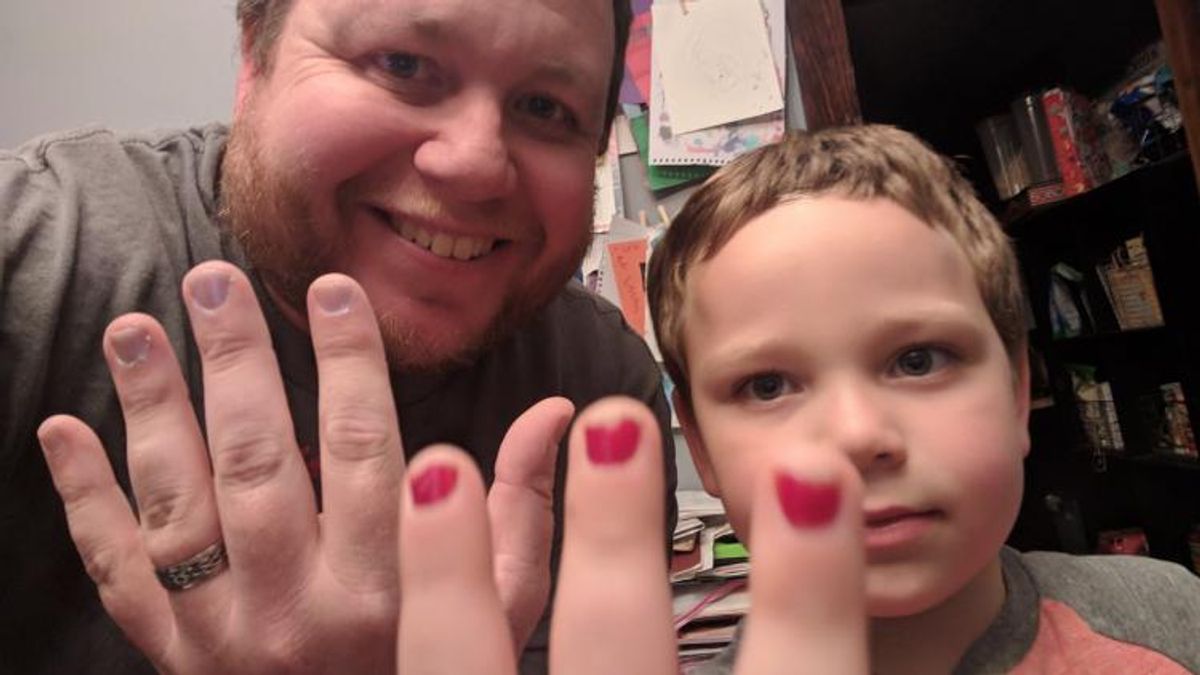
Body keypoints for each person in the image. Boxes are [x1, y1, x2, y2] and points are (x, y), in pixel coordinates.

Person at [0, 0, 675, 672]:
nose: (474, 163)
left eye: (546, 108)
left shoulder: (602, 388)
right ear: (253, 57)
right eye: (402, 64)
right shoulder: (32, 252)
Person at [639, 124, 1200, 672]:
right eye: (767, 386)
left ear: (1016, 391)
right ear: (703, 448)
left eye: (918, 360)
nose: (858, 435)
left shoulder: (1174, 621)